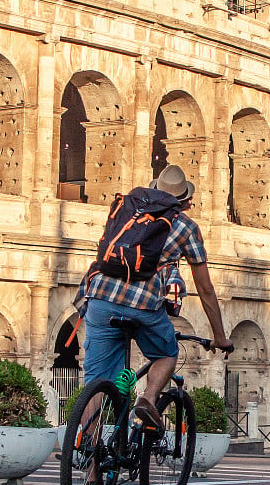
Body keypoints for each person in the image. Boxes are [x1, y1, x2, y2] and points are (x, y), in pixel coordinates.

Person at [79, 164, 233, 437]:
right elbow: (205, 289)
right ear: (185, 202)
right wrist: (219, 336)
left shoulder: (127, 211)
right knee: (166, 353)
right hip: (143, 305)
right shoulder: (186, 227)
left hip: (100, 296)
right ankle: (148, 399)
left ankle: (91, 469)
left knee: (97, 382)